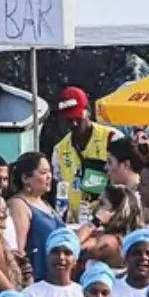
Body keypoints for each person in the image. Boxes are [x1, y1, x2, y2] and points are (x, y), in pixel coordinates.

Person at [50, 87, 119, 220]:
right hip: (76, 223)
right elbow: (59, 188)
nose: (74, 124)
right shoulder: (59, 150)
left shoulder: (112, 138)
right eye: (69, 120)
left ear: (88, 111)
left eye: (77, 117)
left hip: (109, 220)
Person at [8, 150, 65, 283]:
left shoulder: (44, 203)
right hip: (36, 280)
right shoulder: (19, 205)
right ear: (25, 178)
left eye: (49, 172)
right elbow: (18, 250)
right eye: (43, 173)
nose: (49, 177)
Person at [23, 228, 85, 297]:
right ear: (47, 257)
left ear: (75, 261)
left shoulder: (83, 294)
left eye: (67, 253)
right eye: (55, 252)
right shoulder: (30, 295)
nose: (61, 257)